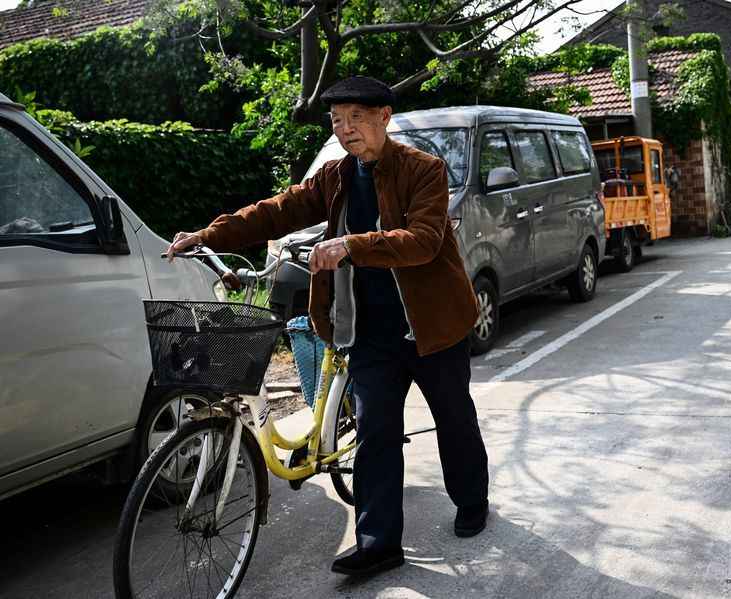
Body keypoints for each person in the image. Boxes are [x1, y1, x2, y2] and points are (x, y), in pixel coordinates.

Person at [166, 76, 490, 577]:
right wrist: (208, 234)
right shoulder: (335, 177)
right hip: (369, 333)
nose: (345, 129)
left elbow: (424, 240)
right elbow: (277, 210)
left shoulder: (424, 170)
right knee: (376, 433)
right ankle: (379, 543)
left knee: (454, 419)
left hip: (431, 327)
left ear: (384, 118)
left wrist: (352, 245)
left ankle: (471, 500)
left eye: (356, 118)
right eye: (337, 121)